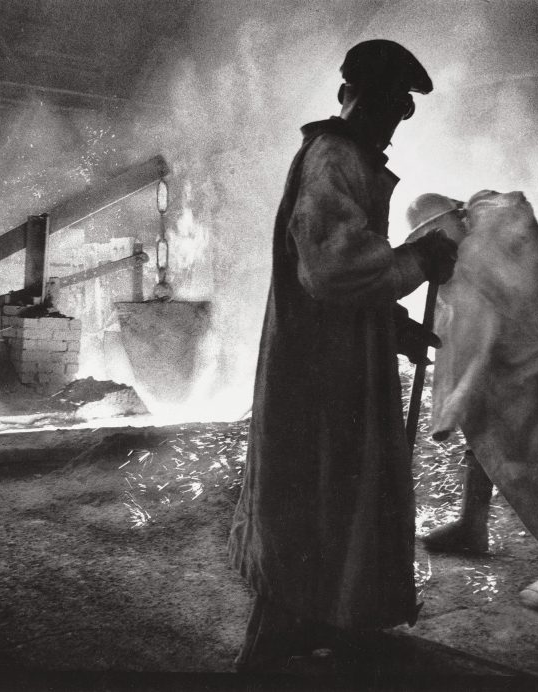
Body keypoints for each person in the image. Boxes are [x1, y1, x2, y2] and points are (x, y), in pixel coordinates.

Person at [227, 39, 458, 673]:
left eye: (396, 109)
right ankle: (269, 652)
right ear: (345, 97)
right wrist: (418, 261)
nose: (387, 120)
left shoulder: (347, 160)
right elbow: (333, 268)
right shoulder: (332, 159)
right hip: (316, 377)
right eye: (380, 103)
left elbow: (342, 277)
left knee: (335, 502)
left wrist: (393, 325)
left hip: (338, 365)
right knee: (310, 504)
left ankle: (317, 625)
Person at [405, 191, 538, 613]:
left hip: (528, 361)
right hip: (521, 351)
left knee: (534, 457)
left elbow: (471, 341)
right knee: (488, 437)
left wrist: (450, 406)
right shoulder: (490, 213)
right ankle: (473, 526)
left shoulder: (475, 257)